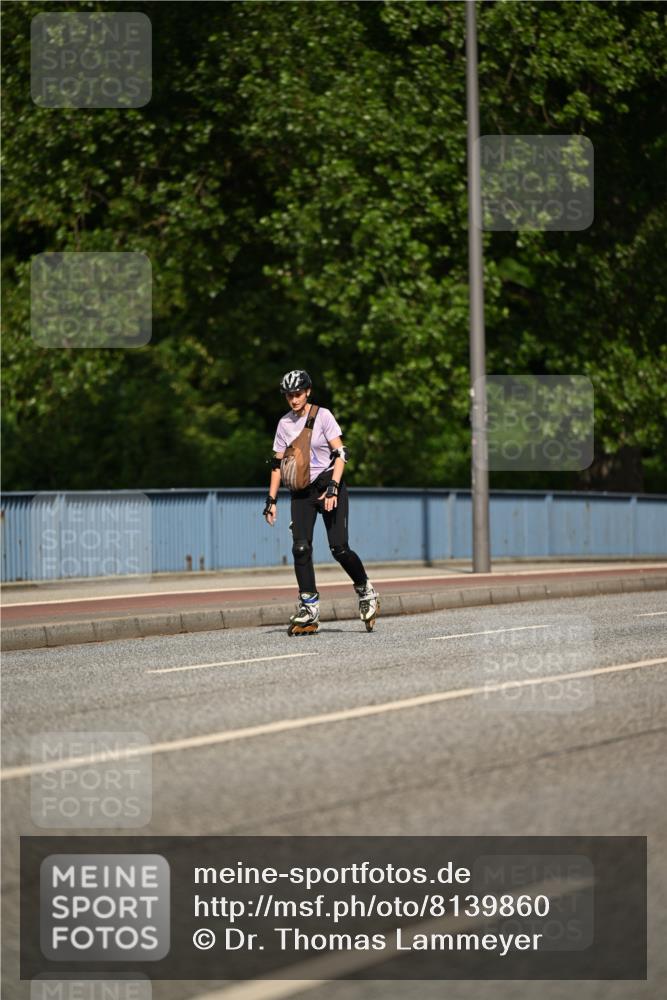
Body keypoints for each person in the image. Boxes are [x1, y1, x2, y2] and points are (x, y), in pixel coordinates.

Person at [263, 369, 379, 634]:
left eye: (298, 394)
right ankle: (309, 606)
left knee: (339, 548)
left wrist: (334, 488)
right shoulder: (284, 424)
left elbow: (341, 453)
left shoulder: (323, 416)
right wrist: (271, 500)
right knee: (300, 548)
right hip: (301, 492)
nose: (294, 399)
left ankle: (365, 590)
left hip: (328, 484)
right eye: (289, 395)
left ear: (308, 392)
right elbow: (277, 464)